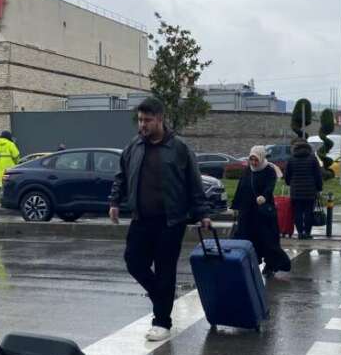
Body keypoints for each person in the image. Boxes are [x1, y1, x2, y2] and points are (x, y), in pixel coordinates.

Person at [109, 97, 211, 342]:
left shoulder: (179, 148)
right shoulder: (134, 146)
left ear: (160, 119)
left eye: (147, 120)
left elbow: (194, 182)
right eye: (139, 120)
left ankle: (162, 321)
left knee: (165, 270)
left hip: (171, 221)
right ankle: (162, 297)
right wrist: (114, 202)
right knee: (134, 262)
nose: (142, 125)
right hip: (141, 218)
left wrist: (203, 213)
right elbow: (121, 176)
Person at [232, 146, 292, 277]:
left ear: (261, 158)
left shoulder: (269, 170)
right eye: (251, 159)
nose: (253, 163)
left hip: (263, 212)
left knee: (268, 240)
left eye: (256, 160)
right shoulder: (247, 170)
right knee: (247, 238)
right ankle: (250, 264)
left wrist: (264, 196)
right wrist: (236, 206)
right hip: (247, 211)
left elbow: (270, 186)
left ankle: (271, 265)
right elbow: (241, 187)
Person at [283, 138, 323, 239]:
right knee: (309, 212)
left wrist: (290, 183)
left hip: (296, 191)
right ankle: (307, 233)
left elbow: (287, 175)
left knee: (298, 212)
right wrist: (319, 188)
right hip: (310, 191)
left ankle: (300, 232)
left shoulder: (291, 159)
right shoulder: (312, 158)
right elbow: (318, 175)